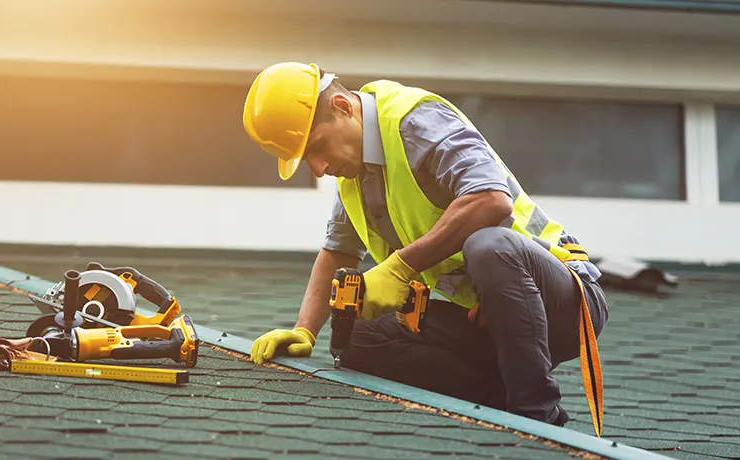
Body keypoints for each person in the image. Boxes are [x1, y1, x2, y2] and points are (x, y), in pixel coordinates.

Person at [241, 62, 609, 432]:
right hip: (492, 323)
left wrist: (401, 266)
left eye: (318, 147)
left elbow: (491, 199)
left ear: (342, 107)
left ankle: (538, 419)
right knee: (356, 340)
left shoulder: (414, 121)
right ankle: (501, 397)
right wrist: (305, 330)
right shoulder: (353, 173)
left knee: (489, 246)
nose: (319, 168)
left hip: (565, 304)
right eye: (307, 160)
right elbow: (338, 249)